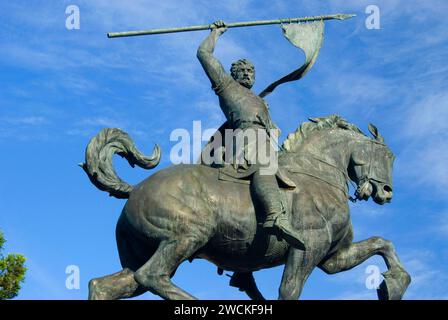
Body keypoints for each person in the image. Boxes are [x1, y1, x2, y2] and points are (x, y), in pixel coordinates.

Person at [197, 20, 305, 250]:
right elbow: (203, 54)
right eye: (242, 71)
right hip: (247, 141)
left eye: (250, 71)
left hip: (265, 141)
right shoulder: (226, 86)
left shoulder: (258, 99)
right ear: (233, 75)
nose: (247, 74)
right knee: (263, 164)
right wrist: (216, 33)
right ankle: (275, 215)